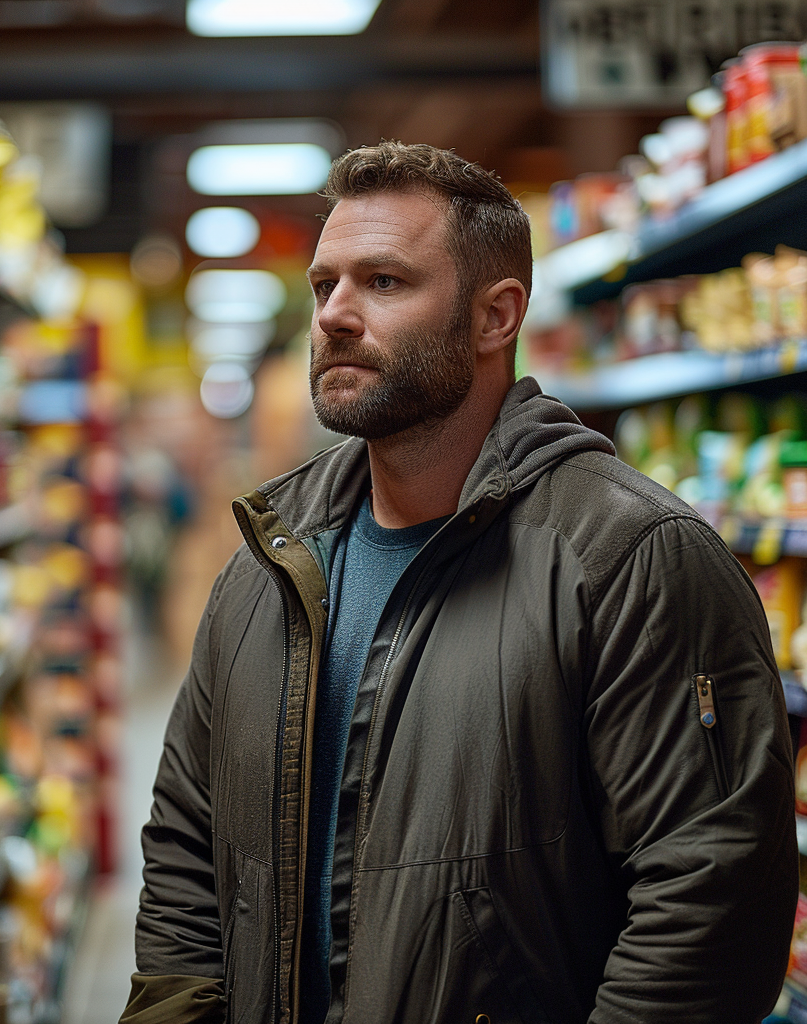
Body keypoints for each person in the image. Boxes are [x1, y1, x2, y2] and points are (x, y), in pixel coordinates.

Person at [120, 142, 798, 1024]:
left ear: (496, 316)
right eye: (325, 285)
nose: (334, 315)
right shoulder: (266, 568)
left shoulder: (632, 559)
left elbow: (708, 910)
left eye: (385, 283)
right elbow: (185, 852)